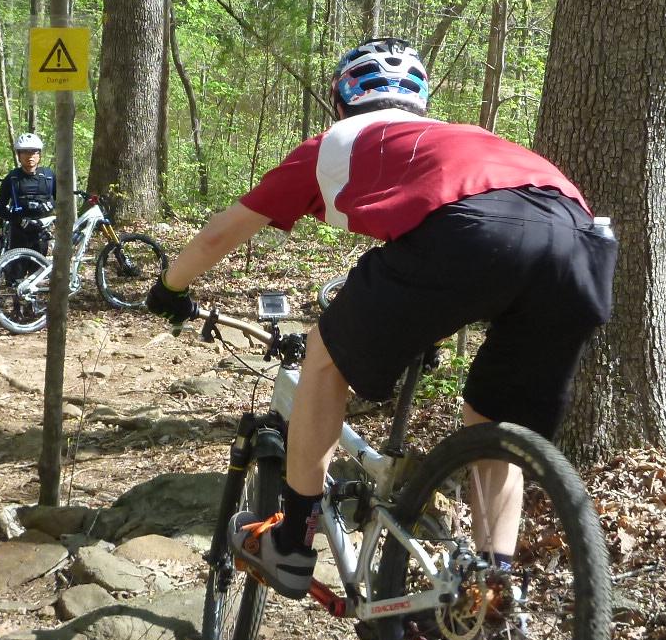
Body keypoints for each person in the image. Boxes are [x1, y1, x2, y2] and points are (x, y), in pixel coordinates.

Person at [146, 37, 616, 607]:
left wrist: (169, 287)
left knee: (322, 356)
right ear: (420, 101)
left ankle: (292, 542)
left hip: (471, 232)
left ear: (340, 102)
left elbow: (222, 233)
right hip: (581, 243)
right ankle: (491, 598)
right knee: (495, 427)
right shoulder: (463, 137)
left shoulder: (336, 143)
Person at [0, 132, 59, 254]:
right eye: (25, 152)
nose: (30, 156)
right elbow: (0, 208)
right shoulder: (12, 178)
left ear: (39, 154)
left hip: (42, 230)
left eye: (34, 152)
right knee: (16, 272)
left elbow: (61, 201)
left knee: (38, 270)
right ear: (19, 155)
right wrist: (20, 221)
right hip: (19, 231)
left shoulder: (49, 176)